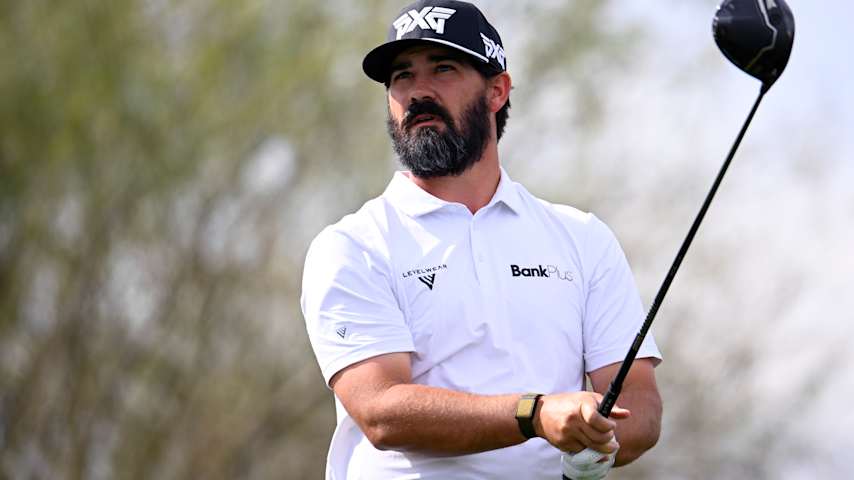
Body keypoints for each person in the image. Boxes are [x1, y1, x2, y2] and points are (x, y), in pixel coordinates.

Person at [301, 1, 662, 478]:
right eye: (401, 77)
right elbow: (382, 410)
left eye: (443, 69)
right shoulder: (353, 245)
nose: (417, 92)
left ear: (497, 91)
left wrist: (597, 437)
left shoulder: (582, 238)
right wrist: (535, 414)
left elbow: (638, 402)